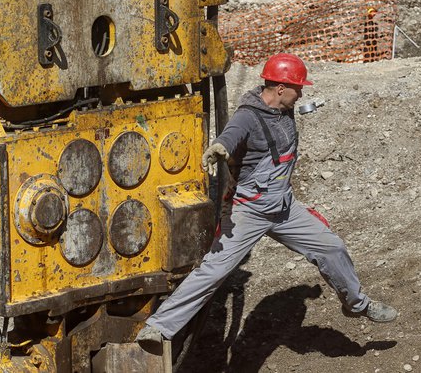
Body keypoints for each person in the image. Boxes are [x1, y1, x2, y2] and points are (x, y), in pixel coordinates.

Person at [136, 53, 397, 347]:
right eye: (299, 88)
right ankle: (158, 327)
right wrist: (221, 147)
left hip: (284, 207)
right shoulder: (248, 115)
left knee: (332, 247)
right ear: (281, 88)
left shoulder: (283, 110)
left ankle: (356, 304)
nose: (301, 94)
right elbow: (232, 133)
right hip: (248, 211)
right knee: (214, 271)